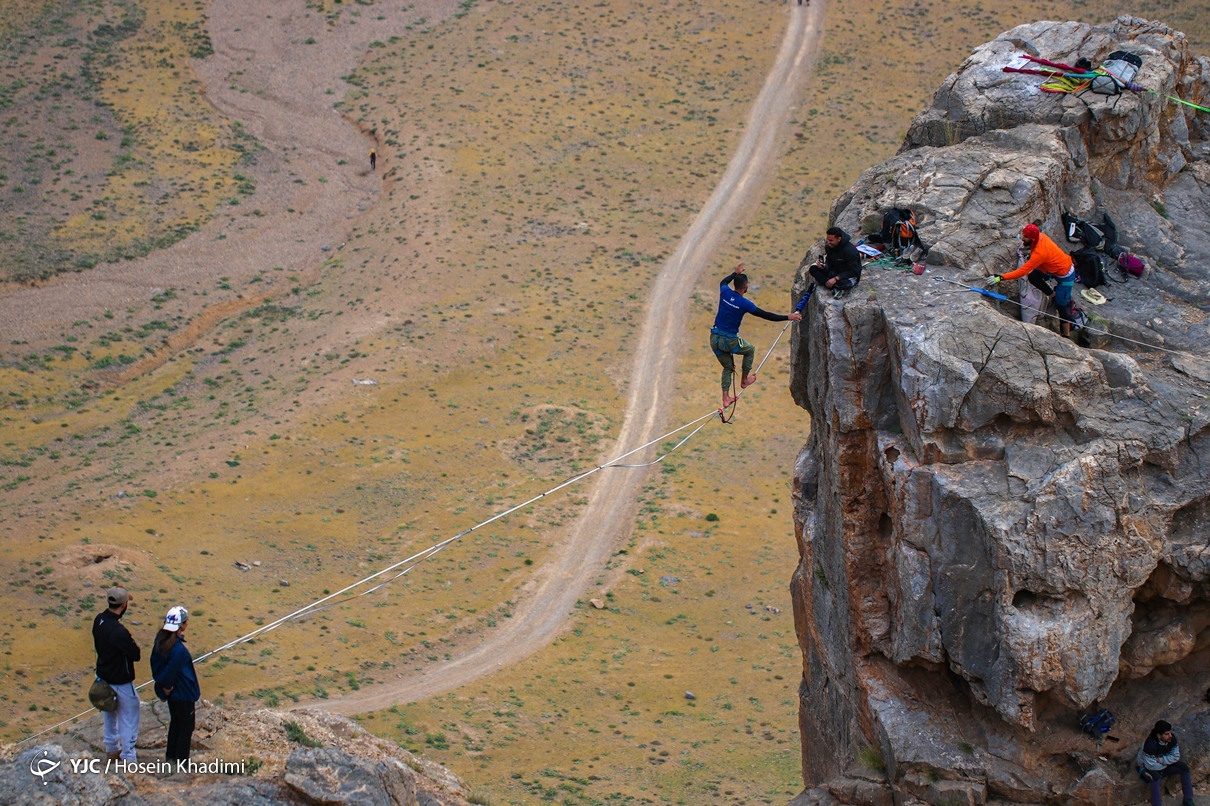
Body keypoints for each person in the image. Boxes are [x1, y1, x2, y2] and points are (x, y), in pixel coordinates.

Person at [711, 262, 803, 408]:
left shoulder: (725, 292)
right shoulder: (744, 303)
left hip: (714, 338)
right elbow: (766, 315)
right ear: (745, 286)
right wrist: (788, 317)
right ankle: (744, 380)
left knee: (728, 367)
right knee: (750, 350)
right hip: (729, 340)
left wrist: (734, 273)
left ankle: (725, 398)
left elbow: (723, 282)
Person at [987, 224, 1077, 338]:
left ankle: (1066, 335)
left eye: (1025, 237)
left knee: (1062, 306)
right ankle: (1052, 295)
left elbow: (1022, 271)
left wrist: (1001, 277)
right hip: (1050, 269)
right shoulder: (1041, 236)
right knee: (1033, 276)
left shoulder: (1039, 254)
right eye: (1023, 235)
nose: (1022, 238)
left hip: (1066, 274)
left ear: (1033, 239)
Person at [92, 587, 141, 762]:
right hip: (121, 679)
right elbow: (135, 654)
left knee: (109, 712)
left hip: (104, 677)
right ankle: (128, 755)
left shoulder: (99, 620)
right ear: (124, 605)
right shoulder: (118, 631)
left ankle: (112, 749)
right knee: (129, 717)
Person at [150, 606, 200, 762]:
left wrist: (161, 687)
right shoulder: (178, 650)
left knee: (176, 724)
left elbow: (156, 665)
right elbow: (171, 671)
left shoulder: (160, 641)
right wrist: (166, 687)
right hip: (183, 692)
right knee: (186, 727)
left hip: (173, 694)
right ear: (182, 625)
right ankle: (181, 761)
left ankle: (171, 757)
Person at [1136, 720, 1195, 806]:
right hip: (1146, 767)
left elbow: (1175, 757)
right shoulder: (1149, 745)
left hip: (1160, 764)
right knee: (1155, 777)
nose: (1170, 736)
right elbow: (1150, 765)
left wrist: (1160, 760)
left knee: (1183, 767)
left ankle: (1188, 799)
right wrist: (1167, 763)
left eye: (1170, 733)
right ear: (1159, 735)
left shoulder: (1171, 739)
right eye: (1167, 734)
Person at [807, 227, 863, 299]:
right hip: (835, 271)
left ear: (839, 239)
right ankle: (831, 285)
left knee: (841, 284)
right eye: (827, 239)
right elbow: (829, 260)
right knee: (813, 269)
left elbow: (853, 271)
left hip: (847, 276)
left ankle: (828, 283)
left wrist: (836, 278)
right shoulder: (830, 247)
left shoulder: (850, 251)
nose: (828, 242)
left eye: (831, 240)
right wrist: (825, 266)